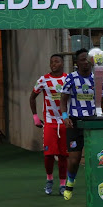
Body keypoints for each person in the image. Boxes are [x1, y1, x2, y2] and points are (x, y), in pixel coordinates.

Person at [60, 48, 103, 200]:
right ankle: (70, 183)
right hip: (75, 122)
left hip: (92, 121)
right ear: (76, 63)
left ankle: (97, 186)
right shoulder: (71, 78)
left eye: (88, 59)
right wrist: (65, 116)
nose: (86, 63)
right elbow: (63, 99)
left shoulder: (97, 79)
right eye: (82, 59)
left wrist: (100, 113)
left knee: (96, 158)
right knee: (74, 159)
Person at [30, 54, 68, 196]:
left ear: (63, 63)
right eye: (51, 62)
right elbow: (32, 97)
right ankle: (49, 179)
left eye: (56, 61)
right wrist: (35, 117)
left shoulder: (68, 79)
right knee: (49, 154)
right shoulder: (44, 80)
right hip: (50, 122)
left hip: (64, 122)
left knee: (64, 155)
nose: (53, 64)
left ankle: (63, 184)